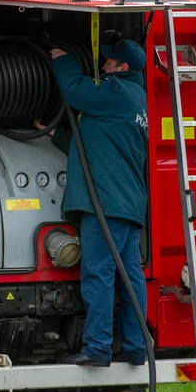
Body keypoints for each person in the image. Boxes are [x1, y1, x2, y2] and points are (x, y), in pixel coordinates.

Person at [41, 35, 149, 367]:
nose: (103, 65)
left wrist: (62, 57)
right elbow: (96, 143)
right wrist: (53, 135)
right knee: (129, 278)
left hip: (107, 203)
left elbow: (75, 89)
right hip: (126, 203)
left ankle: (99, 347)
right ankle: (135, 346)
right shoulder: (135, 97)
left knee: (98, 272)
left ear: (123, 68)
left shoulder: (115, 92)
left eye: (109, 61)